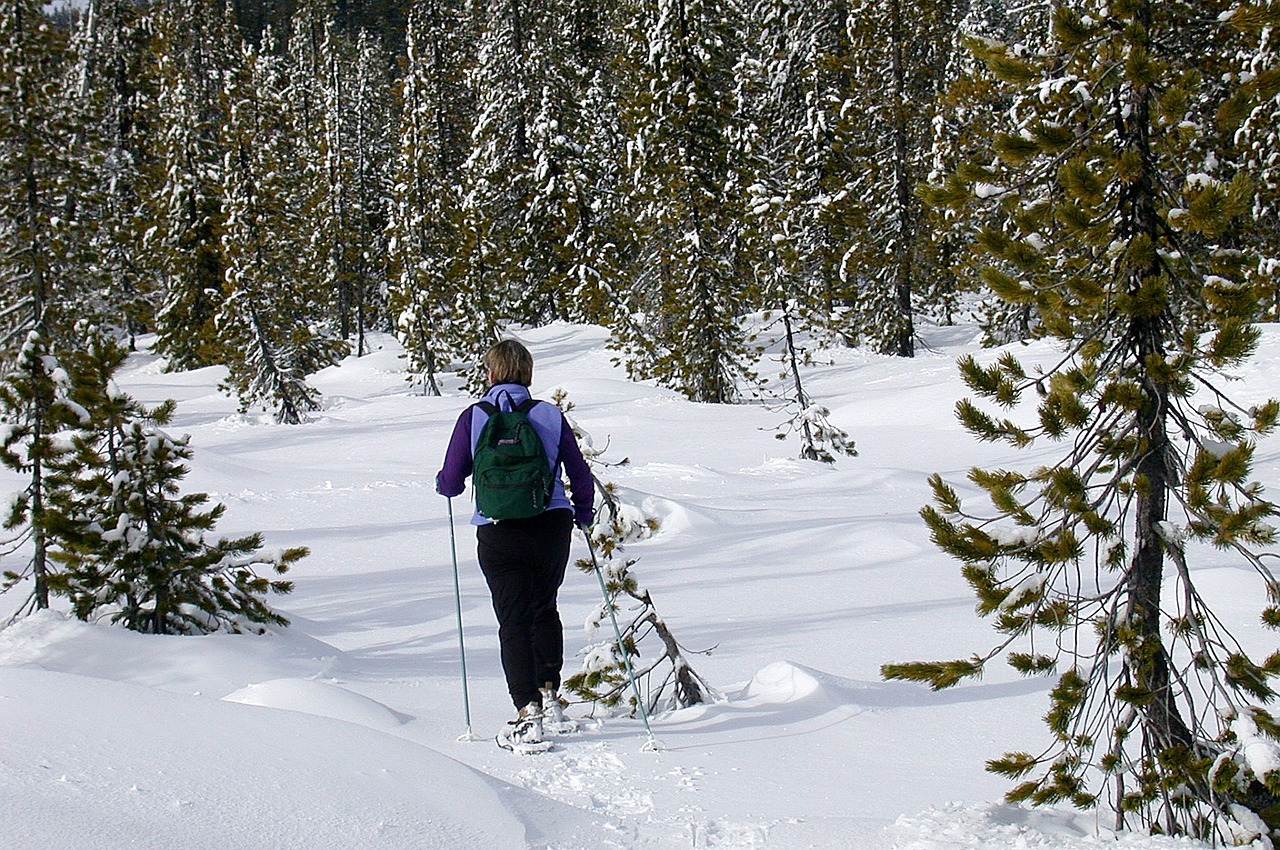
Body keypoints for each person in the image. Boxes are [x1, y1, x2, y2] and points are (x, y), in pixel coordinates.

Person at [436, 339, 594, 748]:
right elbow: (579, 472)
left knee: (513, 618)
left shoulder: (474, 416)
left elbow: (452, 480)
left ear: (489, 373)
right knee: (544, 608)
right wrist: (583, 513)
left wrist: (444, 484)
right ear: (528, 374)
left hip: (498, 528)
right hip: (551, 525)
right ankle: (550, 695)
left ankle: (526, 709)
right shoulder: (548, 414)